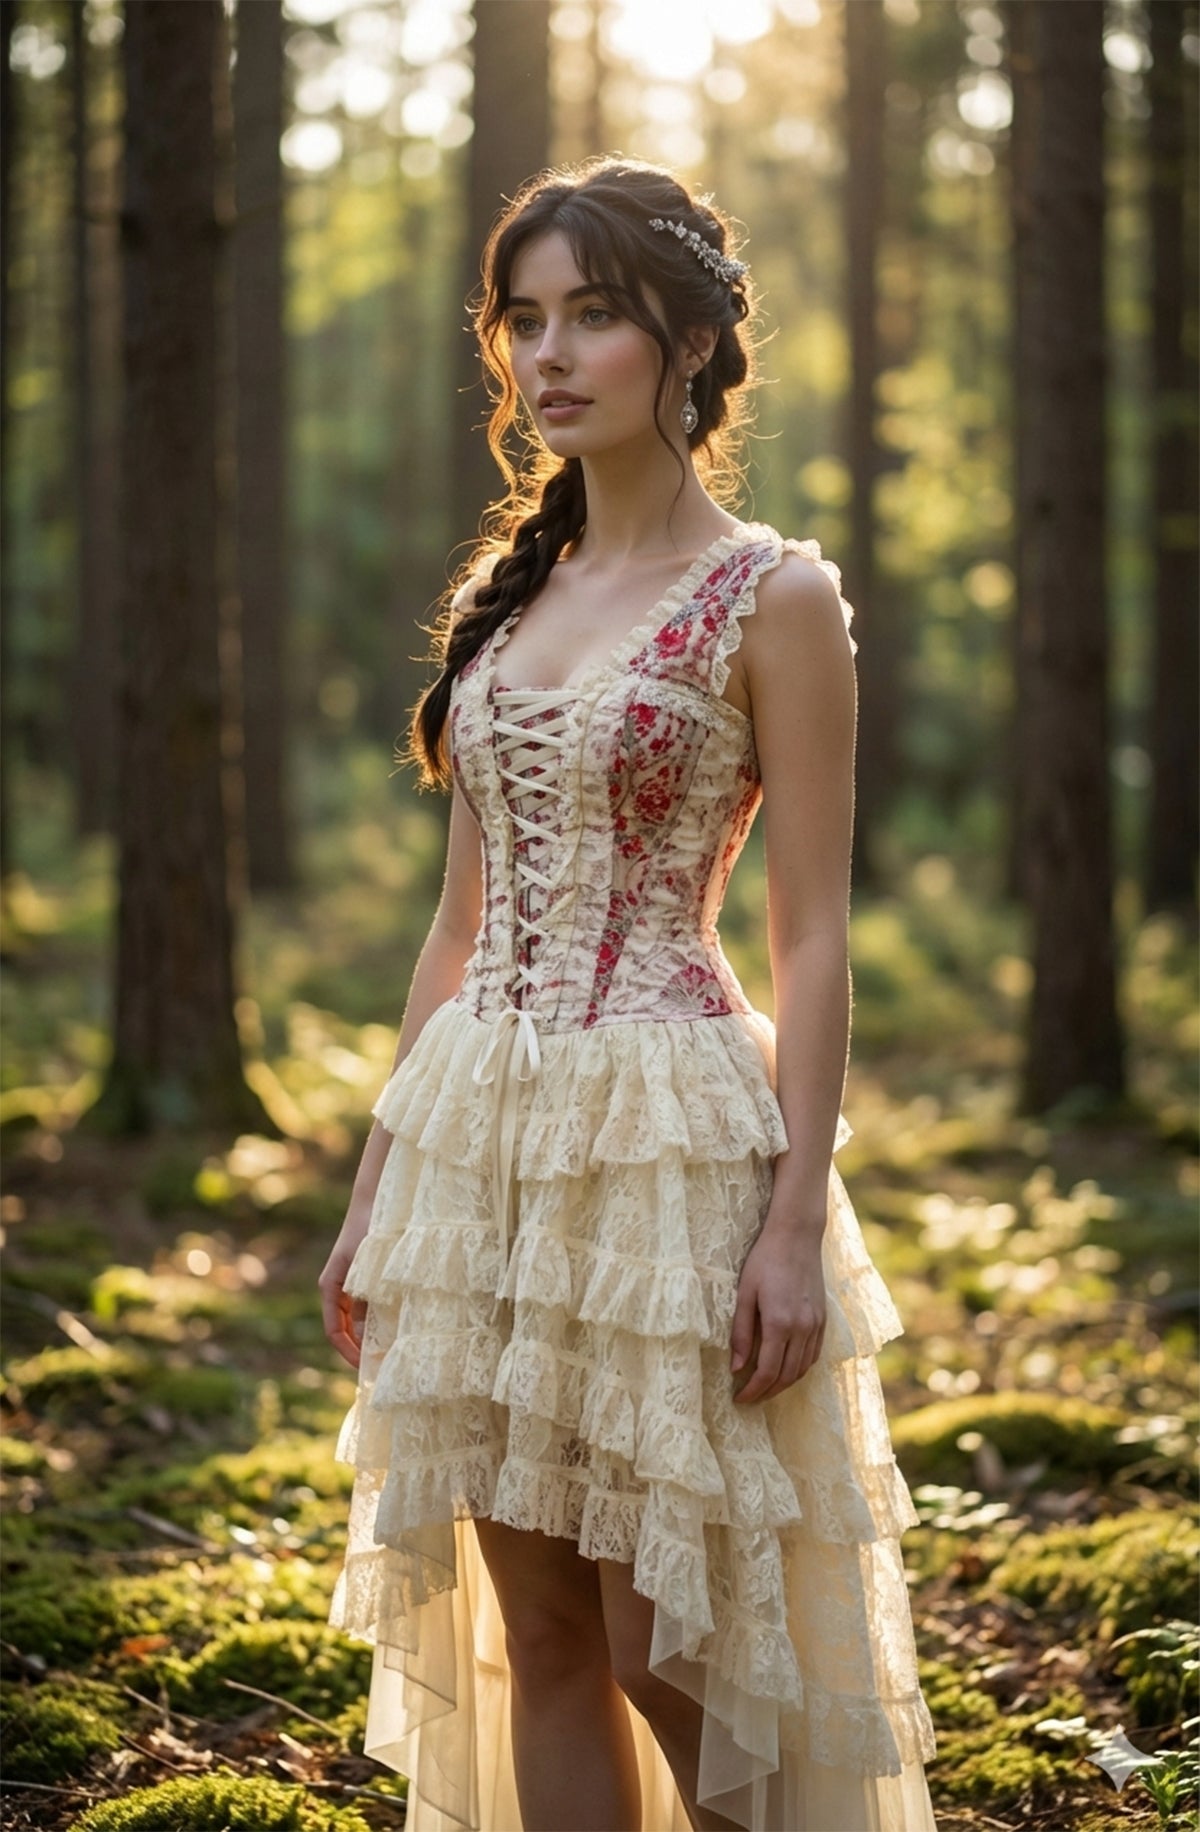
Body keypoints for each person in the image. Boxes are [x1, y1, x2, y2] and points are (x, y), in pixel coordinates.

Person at [321, 157, 939, 1832]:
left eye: (592, 313)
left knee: (676, 1649)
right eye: (522, 319)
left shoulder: (776, 595)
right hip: (478, 1144)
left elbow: (816, 935)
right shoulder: (507, 601)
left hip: (668, 1140)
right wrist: (380, 1188)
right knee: (541, 1635)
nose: (548, 353)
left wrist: (793, 1222)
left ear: (691, 340)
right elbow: (456, 931)